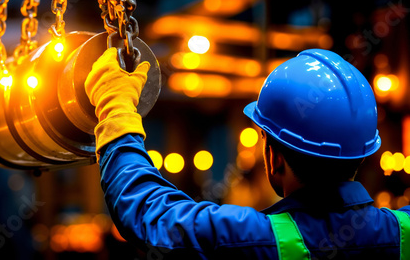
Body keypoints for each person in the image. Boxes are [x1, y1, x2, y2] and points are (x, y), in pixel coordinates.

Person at [84, 47, 410, 259]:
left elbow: (148, 214)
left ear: (274, 157)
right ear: (363, 152)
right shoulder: (403, 231)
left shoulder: (252, 239)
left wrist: (116, 109)